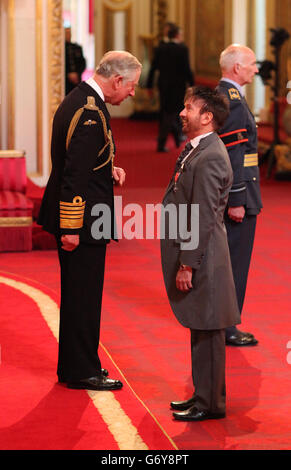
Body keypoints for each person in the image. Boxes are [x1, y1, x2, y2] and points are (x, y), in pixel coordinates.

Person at [37, 51, 142, 391]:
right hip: (82, 223)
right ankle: (83, 369)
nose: (132, 93)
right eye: (132, 86)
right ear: (117, 80)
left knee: (78, 295)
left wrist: (107, 169)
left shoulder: (83, 101)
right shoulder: (90, 113)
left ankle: (74, 366)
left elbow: (81, 161)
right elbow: (74, 175)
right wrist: (70, 228)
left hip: (83, 218)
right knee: (83, 297)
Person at [161, 86, 241, 421]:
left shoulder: (209, 156)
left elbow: (205, 215)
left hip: (204, 257)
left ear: (207, 117)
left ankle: (210, 404)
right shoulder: (199, 149)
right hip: (200, 254)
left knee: (208, 330)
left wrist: (187, 265)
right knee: (201, 325)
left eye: (189, 107)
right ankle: (202, 396)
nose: (182, 112)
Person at [217, 44, 263, 347]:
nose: (256, 69)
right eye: (251, 64)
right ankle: (227, 327)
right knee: (234, 264)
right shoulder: (232, 101)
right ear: (236, 68)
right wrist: (236, 199)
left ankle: (225, 323)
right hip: (240, 196)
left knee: (230, 262)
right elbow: (232, 155)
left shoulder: (226, 96)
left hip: (241, 191)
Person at [147, 23, 194, 152]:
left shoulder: (160, 48)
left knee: (167, 111)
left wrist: (149, 85)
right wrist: (192, 85)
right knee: (173, 113)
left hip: (163, 85)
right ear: (178, 35)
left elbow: (153, 68)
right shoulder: (182, 49)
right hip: (178, 86)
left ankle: (176, 136)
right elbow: (187, 69)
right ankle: (163, 142)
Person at [65, 27, 86, 95]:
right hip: (66, 81)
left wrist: (77, 73)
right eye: (66, 33)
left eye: (69, 33)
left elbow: (82, 62)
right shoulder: (61, 49)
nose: (68, 35)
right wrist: (68, 74)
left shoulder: (77, 48)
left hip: (77, 80)